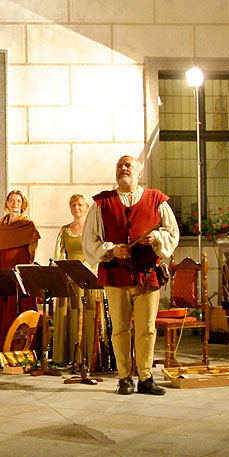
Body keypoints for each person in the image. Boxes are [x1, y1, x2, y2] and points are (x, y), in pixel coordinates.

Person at [83, 155, 179, 396]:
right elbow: (90, 240)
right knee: (120, 329)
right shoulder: (101, 203)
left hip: (148, 277)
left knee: (147, 328)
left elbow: (172, 233)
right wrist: (111, 250)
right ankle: (125, 377)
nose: (123, 168)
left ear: (139, 173)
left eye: (129, 166)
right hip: (116, 275)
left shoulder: (156, 200)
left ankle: (145, 377)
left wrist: (156, 238)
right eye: (119, 166)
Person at [0, 189, 40, 354]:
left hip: (21, 264)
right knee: (2, 302)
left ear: (23, 204)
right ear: (7, 203)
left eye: (18, 201)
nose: (15, 204)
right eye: (12, 200)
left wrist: (25, 266)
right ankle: (1, 342)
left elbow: (33, 249)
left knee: (22, 302)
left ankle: (22, 345)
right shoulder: (0, 225)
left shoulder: (28, 225)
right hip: (4, 265)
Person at [52, 194, 103, 366]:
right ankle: (68, 355)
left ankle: (89, 355)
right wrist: (63, 272)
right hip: (69, 277)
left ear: (87, 208)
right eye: (73, 205)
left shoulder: (94, 229)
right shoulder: (64, 230)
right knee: (70, 314)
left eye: (80, 205)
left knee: (87, 314)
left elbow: (98, 251)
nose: (77, 208)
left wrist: (86, 269)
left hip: (88, 276)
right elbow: (59, 254)